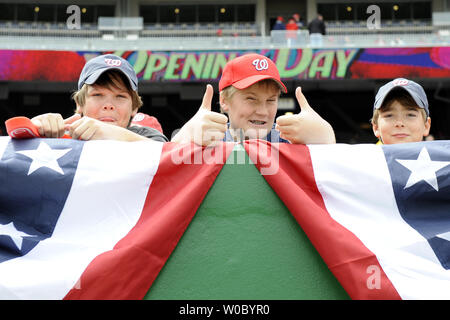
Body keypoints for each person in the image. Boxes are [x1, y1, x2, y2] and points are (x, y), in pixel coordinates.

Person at [171, 53, 335, 146]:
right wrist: (181, 140)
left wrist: (326, 141)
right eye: (251, 99)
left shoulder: (292, 142)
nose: (263, 111)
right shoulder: (204, 140)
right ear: (224, 101)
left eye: (271, 100)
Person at [30, 54, 168, 142]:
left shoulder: (148, 137)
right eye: (97, 95)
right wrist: (33, 131)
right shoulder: (61, 137)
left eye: (120, 96)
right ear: (80, 103)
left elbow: (166, 155)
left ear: (134, 107)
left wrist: (108, 133)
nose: (108, 105)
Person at [371, 78, 431, 145]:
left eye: (410, 115)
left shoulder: (440, 155)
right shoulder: (364, 155)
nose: (399, 123)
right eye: (389, 115)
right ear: (376, 127)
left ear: (426, 126)